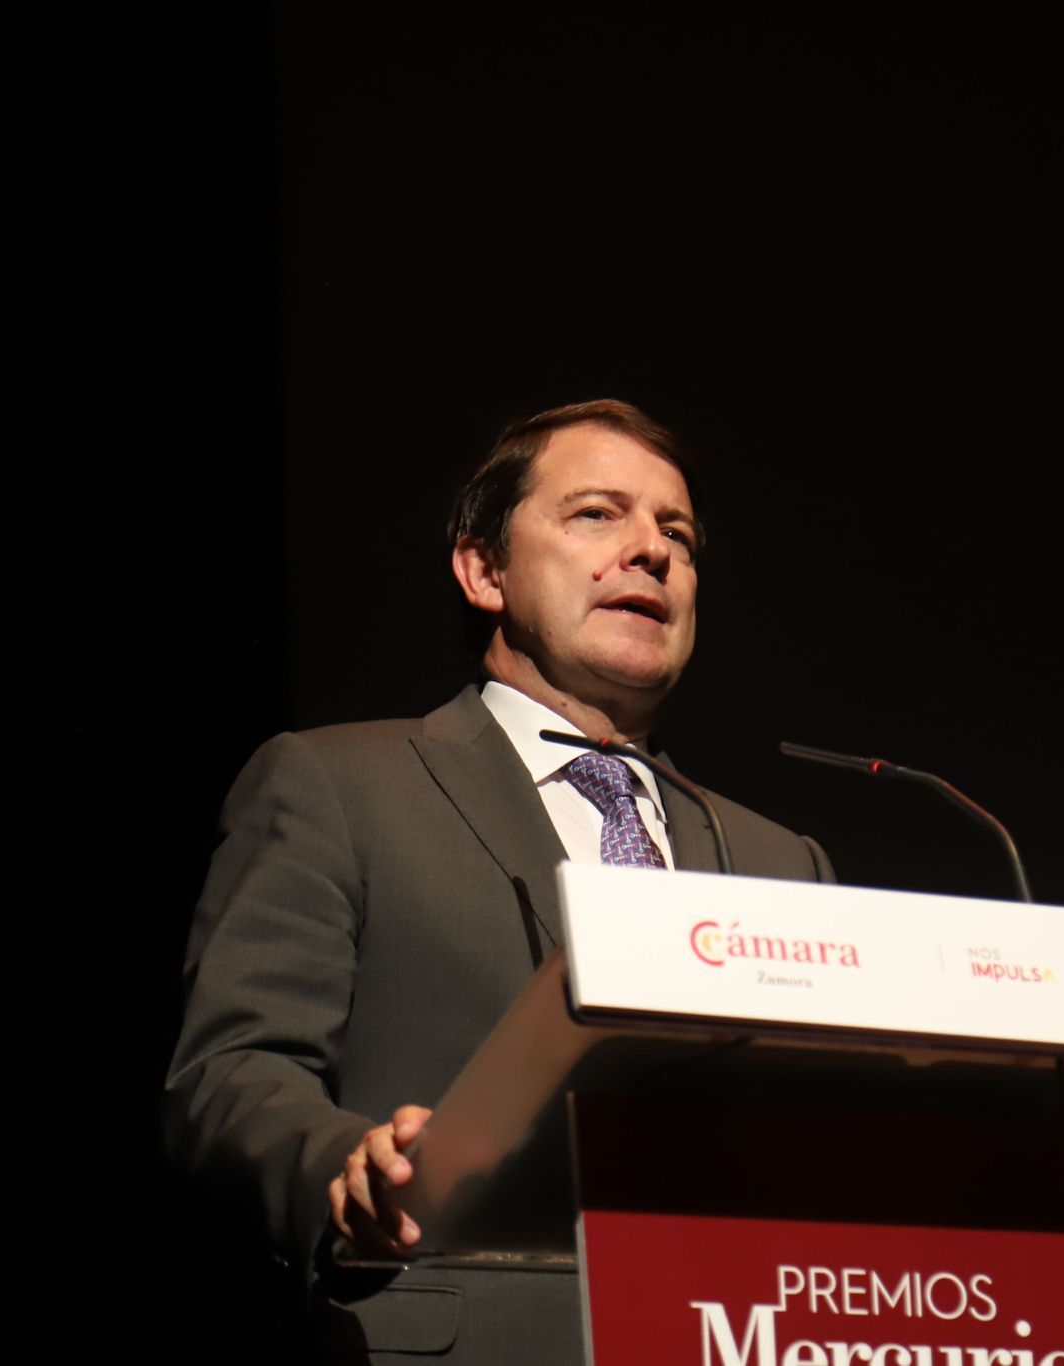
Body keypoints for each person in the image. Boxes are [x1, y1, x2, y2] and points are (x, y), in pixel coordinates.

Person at [164, 400, 835, 1362]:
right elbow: (229, 1076)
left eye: (676, 533)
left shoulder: (782, 860)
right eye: (597, 514)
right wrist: (344, 1170)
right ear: (485, 571)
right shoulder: (341, 786)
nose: (650, 549)